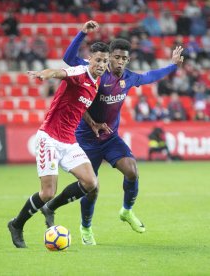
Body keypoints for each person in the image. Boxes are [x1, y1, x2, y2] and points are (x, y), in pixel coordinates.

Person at [41, 21, 184, 245]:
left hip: (110, 138)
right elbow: (69, 58)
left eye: (124, 58)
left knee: (132, 170)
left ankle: (127, 211)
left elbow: (151, 76)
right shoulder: (96, 73)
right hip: (86, 140)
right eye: (116, 57)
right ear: (109, 56)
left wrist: (172, 66)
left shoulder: (129, 78)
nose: (119, 61)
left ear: (128, 60)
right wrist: (81, 33)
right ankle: (86, 228)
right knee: (92, 189)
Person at [7, 41, 110, 248]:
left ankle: (51, 207)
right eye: (98, 59)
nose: (101, 64)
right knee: (47, 192)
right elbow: (58, 72)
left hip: (69, 141)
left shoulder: (95, 82)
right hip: (49, 138)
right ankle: (17, 225)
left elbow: (80, 109)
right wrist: (45, 74)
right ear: (90, 58)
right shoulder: (79, 73)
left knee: (91, 183)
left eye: (105, 61)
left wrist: (93, 124)